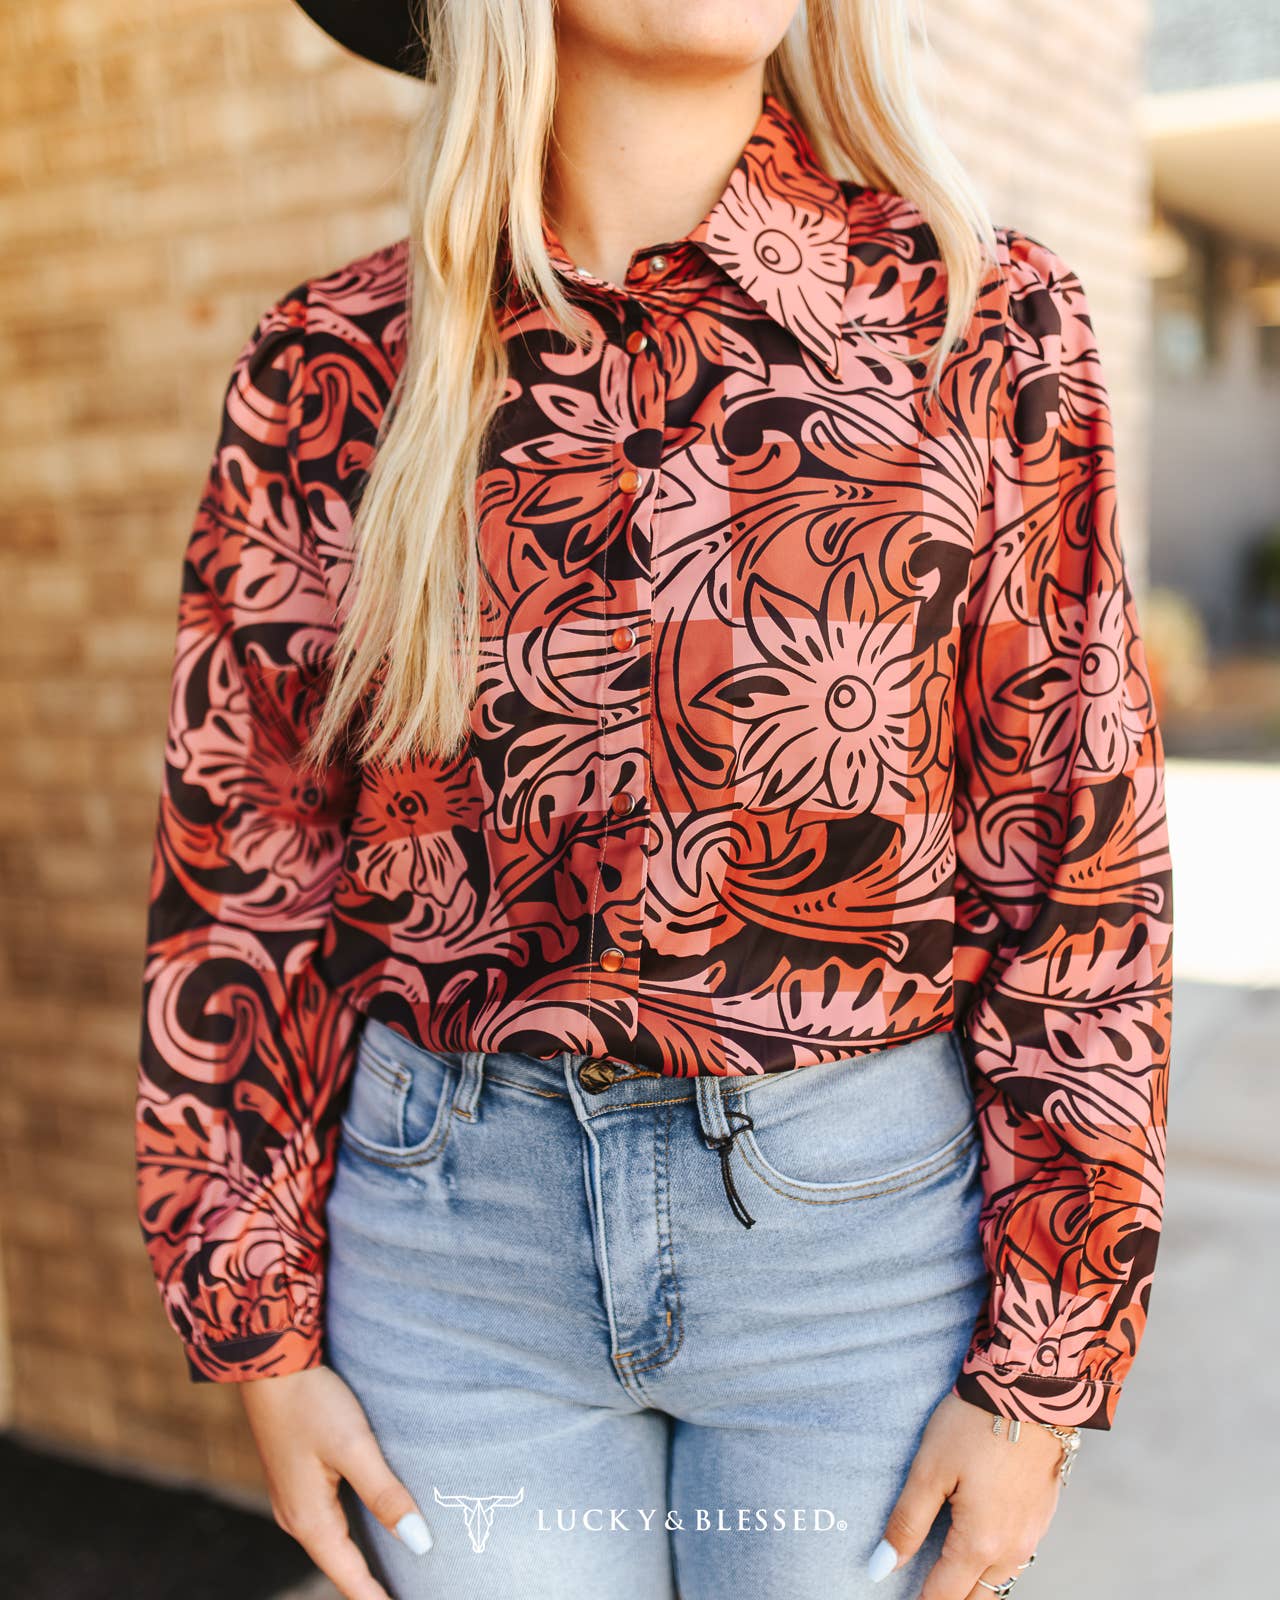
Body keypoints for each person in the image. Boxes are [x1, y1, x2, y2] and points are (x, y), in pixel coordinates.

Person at [133, 2, 1175, 1597]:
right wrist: (257, 1330)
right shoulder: (332, 368)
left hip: (865, 1267)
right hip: (449, 1272)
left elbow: (1079, 865)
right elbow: (248, 876)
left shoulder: (979, 323)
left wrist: (1044, 1370)